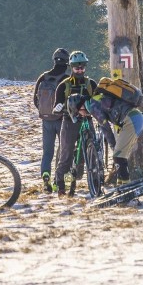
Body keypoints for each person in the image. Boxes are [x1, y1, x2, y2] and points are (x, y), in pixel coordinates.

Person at [53, 50, 100, 197]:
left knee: (93, 153)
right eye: (76, 68)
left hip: (87, 119)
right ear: (71, 67)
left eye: (82, 67)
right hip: (69, 121)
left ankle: (96, 181)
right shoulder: (64, 85)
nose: (79, 70)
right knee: (66, 154)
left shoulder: (91, 83)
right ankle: (60, 185)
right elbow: (57, 103)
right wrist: (59, 107)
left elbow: (98, 100)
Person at [83, 80, 143, 186]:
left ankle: (126, 185)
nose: (82, 115)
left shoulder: (93, 106)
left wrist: (113, 147)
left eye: (79, 112)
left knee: (118, 156)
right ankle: (121, 183)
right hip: (135, 118)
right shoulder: (99, 98)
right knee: (121, 156)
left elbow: (106, 128)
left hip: (131, 120)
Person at [32, 47, 70, 193]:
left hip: (46, 120)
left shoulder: (43, 77)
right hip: (62, 120)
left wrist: (44, 112)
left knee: (47, 152)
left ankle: (45, 177)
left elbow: (36, 99)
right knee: (63, 152)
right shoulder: (66, 78)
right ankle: (57, 182)